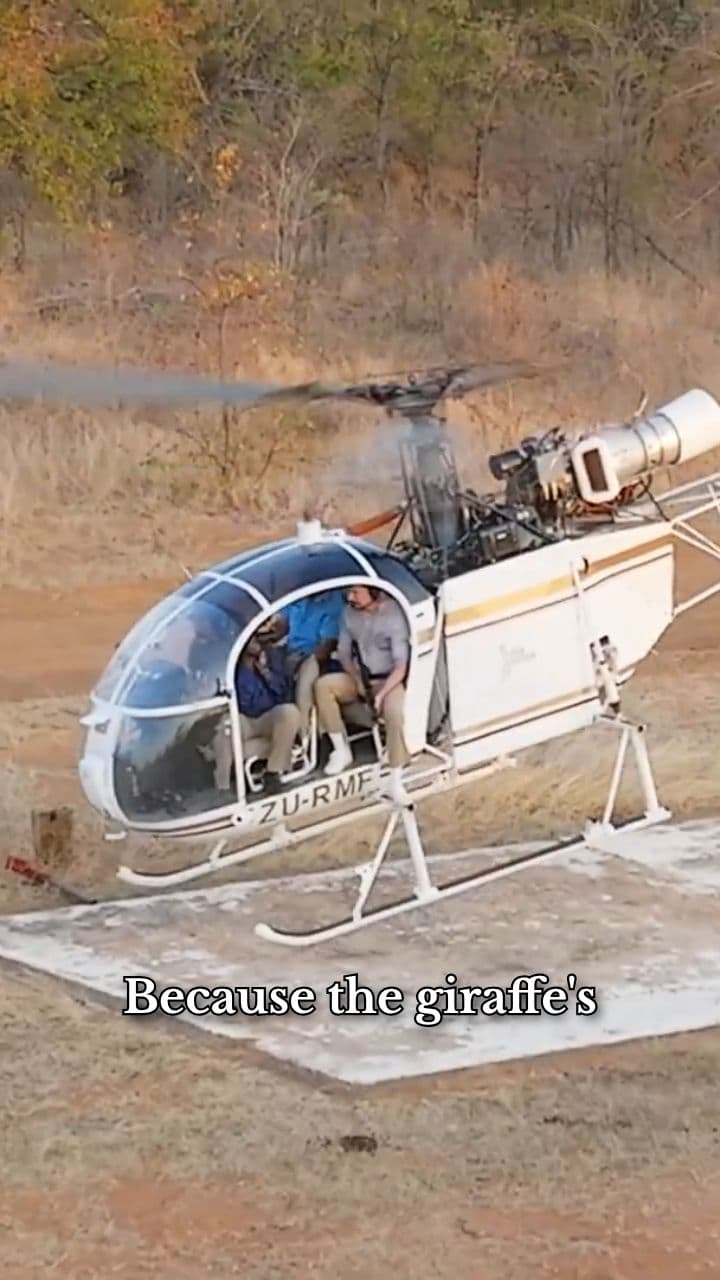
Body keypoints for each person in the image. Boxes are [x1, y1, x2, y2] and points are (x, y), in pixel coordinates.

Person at [313, 585, 410, 800]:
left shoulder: (394, 615)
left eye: (356, 592)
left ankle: (396, 777)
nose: (350, 597)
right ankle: (341, 750)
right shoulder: (348, 614)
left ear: (373, 592)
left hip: (388, 680)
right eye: (348, 592)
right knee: (323, 686)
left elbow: (401, 664)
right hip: (361, 676)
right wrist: (356, 679)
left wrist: (382, 694)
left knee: (394, 712)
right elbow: (344, 653)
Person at [265, 590, 345, 736]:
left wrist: (296, 662)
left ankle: (304, 733)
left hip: (313, 656)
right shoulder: (299, 593)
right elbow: (282, 625)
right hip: (288, 650)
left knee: (307, 669)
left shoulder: (333, 602)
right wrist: (265, 635)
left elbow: (326, 647)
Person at [233, 635, 302, 794]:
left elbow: (284, 694)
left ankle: (273, 772)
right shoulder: (235, 671)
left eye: (257, 638)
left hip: (270, 718)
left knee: (289, 712)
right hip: (246, 721)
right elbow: (245, 705)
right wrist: (248, 669)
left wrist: (265, 673)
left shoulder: (272, 657)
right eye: (251, 640)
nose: (257, 643)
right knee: (227, 729)